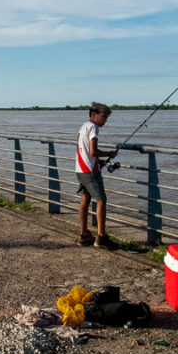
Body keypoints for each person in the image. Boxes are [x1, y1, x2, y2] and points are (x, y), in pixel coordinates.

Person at [75, 102, 118, 248]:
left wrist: (98, 161)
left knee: (85, 200)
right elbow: (93, 151)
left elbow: (86, 152)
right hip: (90, 172)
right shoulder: (93, 128)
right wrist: (109, 153)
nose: (105, 120)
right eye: (104, 116)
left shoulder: (83, 127)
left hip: (80, 169)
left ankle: (84, 234)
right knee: (101, 200)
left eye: (106, 117)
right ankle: (101, 237)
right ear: (93, 114)